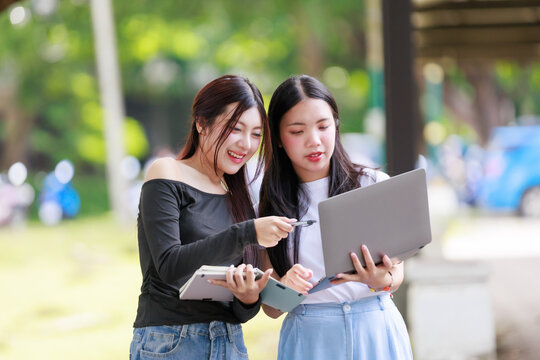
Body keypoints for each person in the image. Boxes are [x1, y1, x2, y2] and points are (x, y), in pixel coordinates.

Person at [129, 75, 295, 360]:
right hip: (170, 342)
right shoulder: (167, 171)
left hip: (229, 342)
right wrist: (246, 233)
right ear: (201, 123)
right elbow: (170, 265)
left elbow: (243, 311)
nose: (246, 143)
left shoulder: (239, 198)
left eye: (256, 134)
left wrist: (248, 296)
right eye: (235, 128)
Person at [258, 75, 413, 360]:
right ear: (278, 138)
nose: (314, 141)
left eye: (323, 126)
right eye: (297, 131)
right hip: (310, 339)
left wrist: (380, 278)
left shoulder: (373, 184)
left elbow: (396, 273)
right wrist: (286, 290)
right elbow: (271, 309)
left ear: (336, 125)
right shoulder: (271, 205)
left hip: (375, 331)